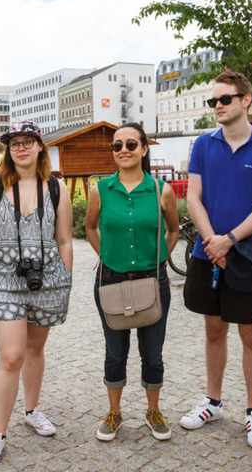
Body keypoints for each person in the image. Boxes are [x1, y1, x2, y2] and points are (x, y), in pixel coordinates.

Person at [178, 71, 252, 449]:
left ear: (246, 100)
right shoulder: (203, 145)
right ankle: (213, 401)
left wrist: (230, 240)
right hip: (207, 252)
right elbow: (194, 197)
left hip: (248, 257)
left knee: (251, 335)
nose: (219, 106)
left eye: (226, 99)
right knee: (213, 329)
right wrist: (212, 241)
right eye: (214, 101)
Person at [0, 120, 73, 468]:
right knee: (12, 355)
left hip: (46, 280)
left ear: (40, 146)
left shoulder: (56, 188)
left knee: (35, 348)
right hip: (2, 280)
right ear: (8, 150)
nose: (21, 147)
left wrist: (65, 278)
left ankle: (31, 410)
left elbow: (64, 240)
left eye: (28, 141)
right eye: (14, 143)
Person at [84, 122, 179, 443]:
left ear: (144, 149)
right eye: (117, 145)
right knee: (115, 352)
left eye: (130, 144)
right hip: (110, 280)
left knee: (152, 353)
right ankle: (114, 412)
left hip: (153, 281)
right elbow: (91, 228)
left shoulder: (160, 190)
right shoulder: (100, 190)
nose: (123, 150)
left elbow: (173, 229)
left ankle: (153, 410)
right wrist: (107, 255)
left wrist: (160, 258)